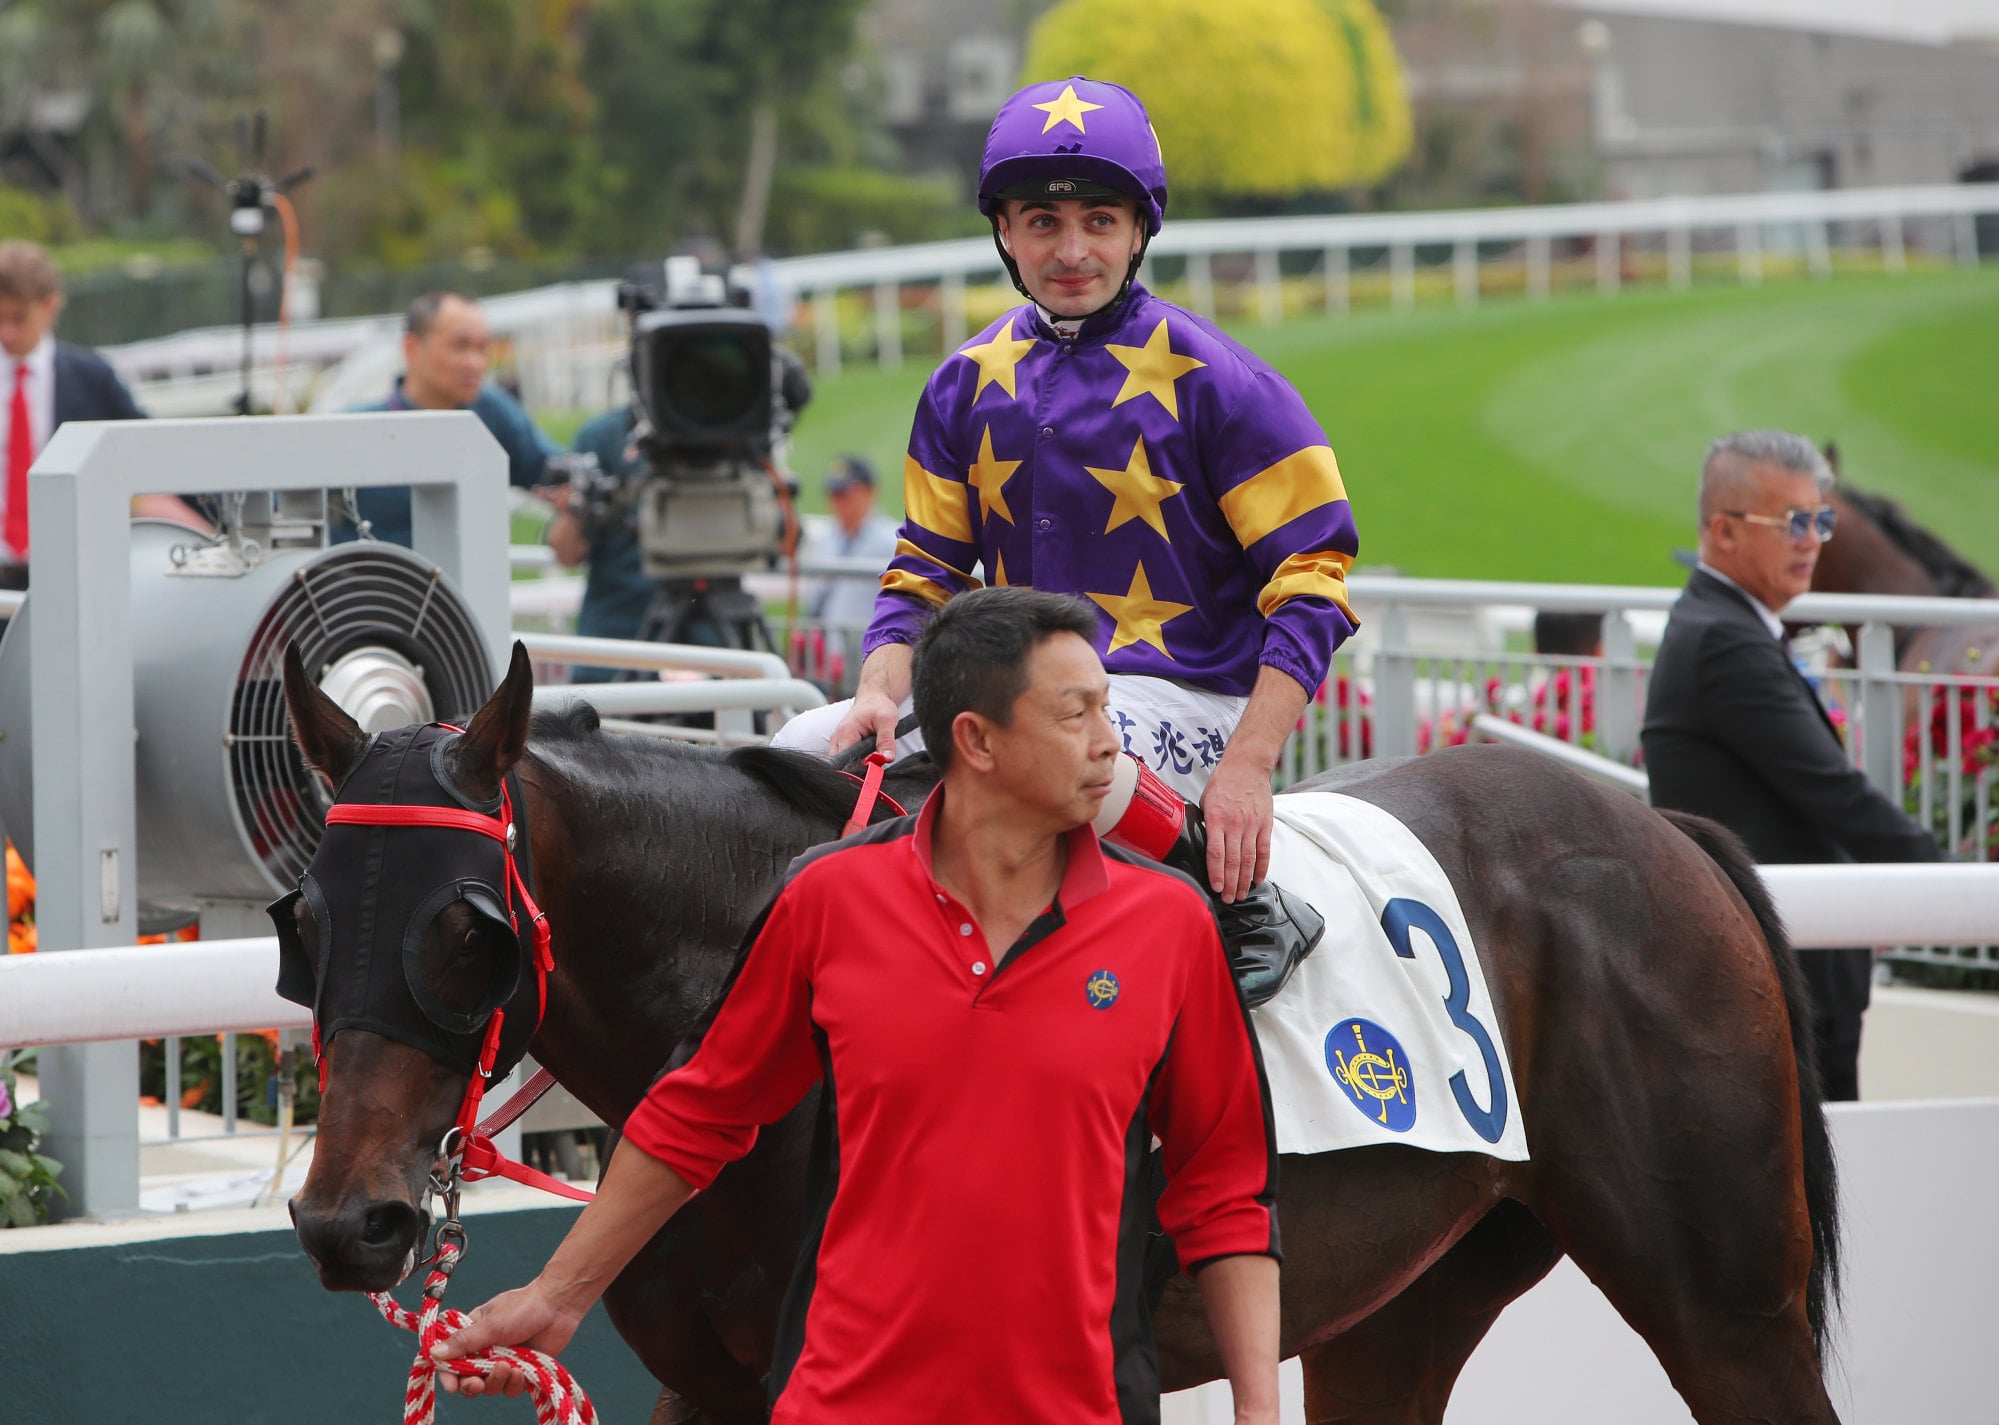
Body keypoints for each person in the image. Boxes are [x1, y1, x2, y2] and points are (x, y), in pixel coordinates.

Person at [430, 588, 1282, 1425]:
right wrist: (554, 1298)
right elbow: (699, 1111)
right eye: (1076, 716)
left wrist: (1257, 1408)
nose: (1110, 746)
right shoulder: (828, 900)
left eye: (1107, 708)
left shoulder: (1170, 925)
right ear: (976, 741)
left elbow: (1224, 1187)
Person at [773, 77, 1358, 994]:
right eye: (1042, 220)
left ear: (1138, 229)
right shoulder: (963, 383)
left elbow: (1314, 573)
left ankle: (1251, 902)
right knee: (797, 750)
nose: (1072, 249)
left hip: (1187, 700)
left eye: (1098, 219)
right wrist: (878, 694)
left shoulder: (1225, 383)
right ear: (1004, 232)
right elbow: (920, 574)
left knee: (1060, 738)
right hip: (1025, 696)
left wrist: (1249, 763)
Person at [1642, 430, 1943, 1101]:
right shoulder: (1723, 639)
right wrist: (1952, 884)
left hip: (1783, 972)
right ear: (1721, 531)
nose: (1812, 540)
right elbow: (1833, 794)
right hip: (1778, 981)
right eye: (1793, 522)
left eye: (1820, 520)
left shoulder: (1720, 625)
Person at [0, 239, 204, 578]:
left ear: (50, 305)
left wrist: (224, 524)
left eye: (18, 318)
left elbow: (153, 451)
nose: (6, 331)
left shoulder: (92, 377)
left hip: (67, 570)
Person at [339, 290, 559, 548]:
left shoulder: (492, 412)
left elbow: (554, 472)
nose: (475, 363)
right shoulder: (355, 429)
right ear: (412, 348)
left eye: (482, 349)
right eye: (460, 346)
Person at [543, 402, 653, 684]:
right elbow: (565, 552)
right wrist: (576, 509)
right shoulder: (603, 437)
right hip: (612, 644)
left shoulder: (732, 429)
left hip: (711, 639)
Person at [799, 454, 898, 631]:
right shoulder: (825, 539)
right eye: (834, 495)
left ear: (869, 491)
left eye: (845, 494)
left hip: (865, 650)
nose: (838, 502)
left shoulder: (892, 543)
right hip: (826, 650)